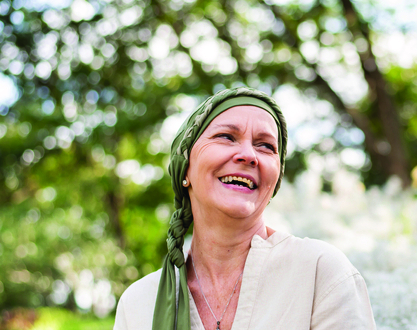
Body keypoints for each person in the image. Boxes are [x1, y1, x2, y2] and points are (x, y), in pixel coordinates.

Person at [113, 87, 376, 330]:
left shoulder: (320, 273)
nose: (249, 155)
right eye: (226, 137)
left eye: (266, 146)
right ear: (185, 168)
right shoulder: (138, 304)